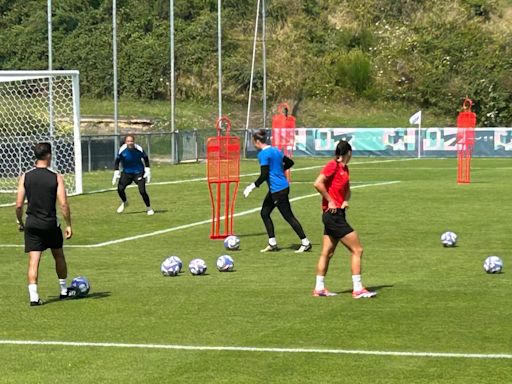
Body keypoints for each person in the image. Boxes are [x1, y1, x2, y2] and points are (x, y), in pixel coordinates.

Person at [312, 140, 376, 299]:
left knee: (327, 252)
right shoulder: (333, 165)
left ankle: (319, 288)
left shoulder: (345, 168)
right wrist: (330, 200)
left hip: (336, 214)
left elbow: (347, 190)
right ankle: (358, 288)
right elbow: (318, 183)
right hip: (332, 215)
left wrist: (345, 199)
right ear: (349, 152)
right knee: (357, 250)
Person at [15, 142, 75, 306]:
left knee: (34, 261)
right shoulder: (56, 176)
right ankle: (63, 291)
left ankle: (34, 297)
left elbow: (19, 205)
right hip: (50, 224)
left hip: (32, 224)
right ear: (49, 155)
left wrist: (20, 222)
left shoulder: (25, 176)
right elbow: (63, 204)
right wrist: (68, 225)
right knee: (58, 256)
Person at [243, 129, 311, 253]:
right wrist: (279, 170)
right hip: (281, 187)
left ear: (257, 141)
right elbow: (290, 162)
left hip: (278, 190)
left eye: (253, 141)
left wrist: (251, 186)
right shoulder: (275, 150)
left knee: (288, 217)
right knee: (264, 213)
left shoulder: (263, 154)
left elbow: (264, 175)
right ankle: (272, 243)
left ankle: (305, 242)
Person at [112, 134, 154, 215]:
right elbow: (117, 160)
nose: (130, 143)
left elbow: (145, 158)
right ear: (125, 142)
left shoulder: (139, 149)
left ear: (134, 141)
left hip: (138, 172)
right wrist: (116, 171)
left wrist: (147, 169)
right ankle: (124, 202)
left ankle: (149, 208)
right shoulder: (122, 149)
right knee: (120, 189)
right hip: (127, 172)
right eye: (128, 141)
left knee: (142, 191)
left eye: (131, 141)